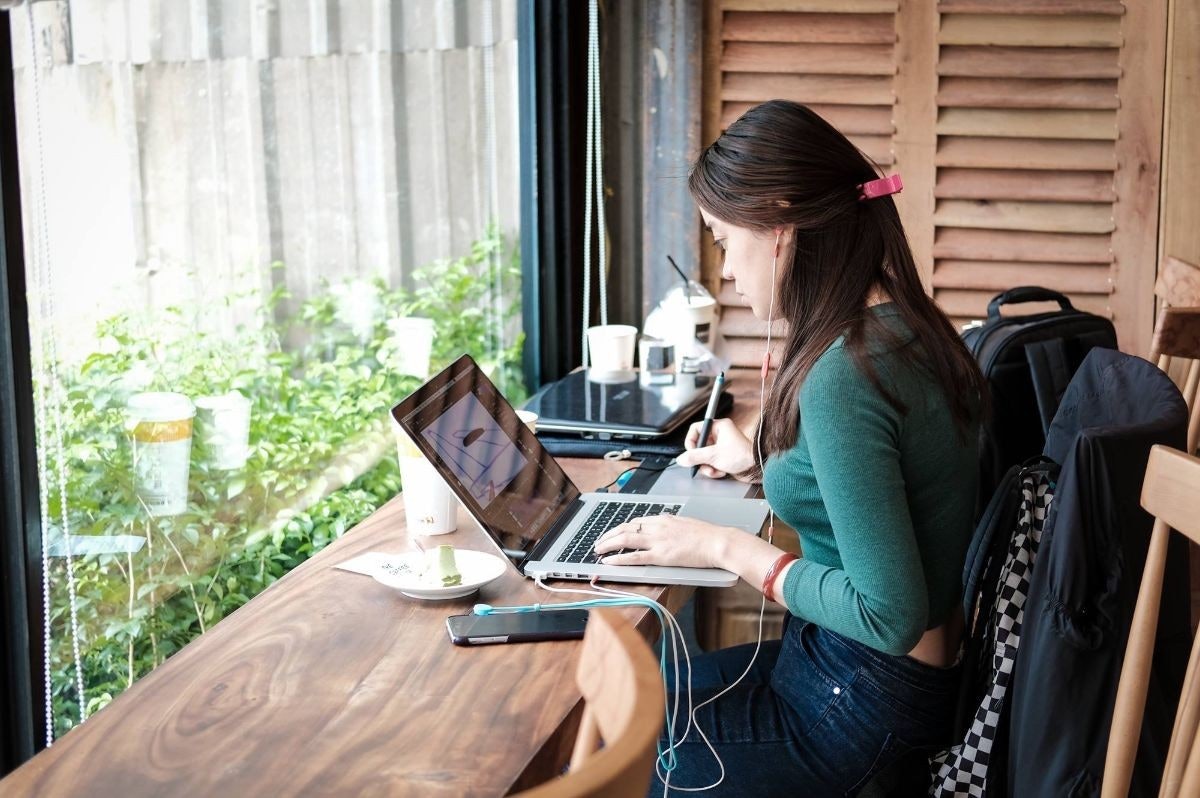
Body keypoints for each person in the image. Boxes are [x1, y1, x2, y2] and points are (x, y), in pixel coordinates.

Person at [593, 99, 986, 796]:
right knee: (632, 692)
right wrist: (768, 463)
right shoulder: (907, 327)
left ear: (778, 223)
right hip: (865, 672)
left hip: (863, 694)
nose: (726, 272)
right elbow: (893, 478)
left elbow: (886, 616)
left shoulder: (846, 374)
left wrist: (719, 547)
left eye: (722, 241)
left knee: (617, 745)